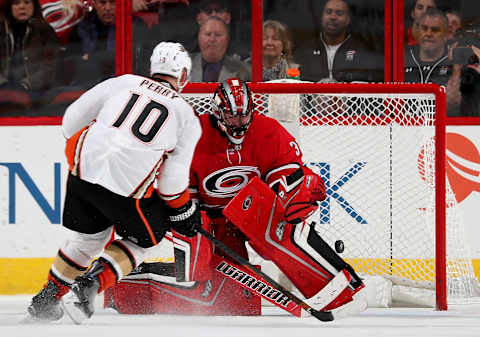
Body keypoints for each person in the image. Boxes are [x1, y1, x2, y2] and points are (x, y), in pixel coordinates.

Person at [107, 78, 367, 318]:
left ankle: (341, 291)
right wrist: (191, 217)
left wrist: (301, 191)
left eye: (243, 116)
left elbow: (292, 171)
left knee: (285, 230)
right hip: (207, 219)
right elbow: (176, 191)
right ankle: (129, 285)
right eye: (231, 116)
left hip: (248, 212)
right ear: (217, 113)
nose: (239, 123)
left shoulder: (269, 131)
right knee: (221, 300)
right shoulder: (192, 136)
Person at [25, 41, 202, 324]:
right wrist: (183, 211)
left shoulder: (123, 82)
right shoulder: (186, 116)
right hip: (126, 189)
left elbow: (70, 121)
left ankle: (47, 298)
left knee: (88, 239)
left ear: (152, 68)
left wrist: (97, 146)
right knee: (150, 236)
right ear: (183, 76)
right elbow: (171, 184)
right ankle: (92, 283)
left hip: (82, 174)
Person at [61, 0, 149, 88]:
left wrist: (90, 57)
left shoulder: (136, 25)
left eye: (113, 3)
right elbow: (71, 63)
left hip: (124, 87)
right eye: (102, 3)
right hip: (88, 87)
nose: (107, 8)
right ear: (94, 4)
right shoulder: (82, 28)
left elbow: (141, 64)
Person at [294, 0, 381, 83]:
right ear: (322, 17)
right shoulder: (305, 50)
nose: (333, 17)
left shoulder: (361, 49)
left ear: (348, 20)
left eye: (339, 13)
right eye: (328, 12)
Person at [0, 0, 59, 100]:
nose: (22, 7)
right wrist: (3, 84)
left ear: (34, 6)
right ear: (9, 8)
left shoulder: (45, 30)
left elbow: (50, 67)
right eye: (16, 3)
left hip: (35, 91)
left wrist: (26, 85)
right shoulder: (1, 30)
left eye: (27, 2)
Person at [190, 16, 250, 82]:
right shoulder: (181, 66)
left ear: (227, 39)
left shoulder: (246, 71)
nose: (212, 39)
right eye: (208, 34)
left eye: (218, 35)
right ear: (199, 38)